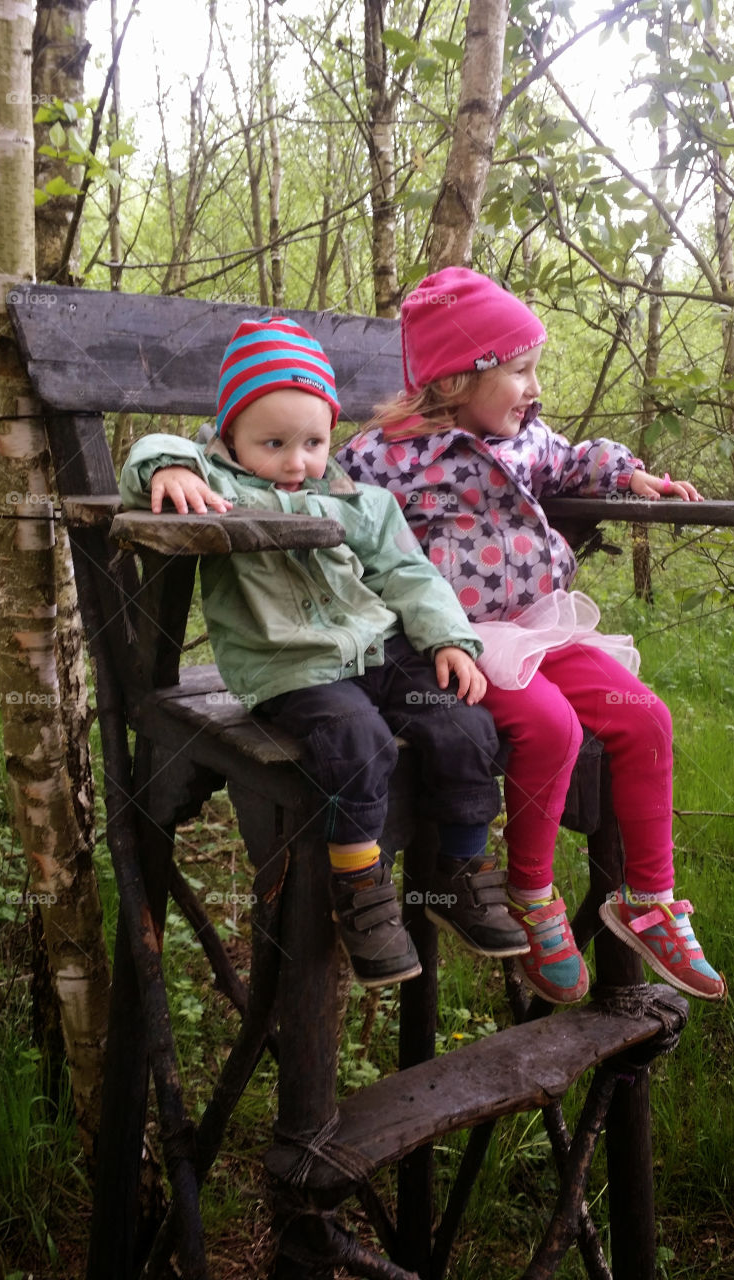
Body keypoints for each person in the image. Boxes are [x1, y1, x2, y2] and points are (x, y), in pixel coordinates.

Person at [337, 267, 726, 1005]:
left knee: (645, 717)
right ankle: (531, 893)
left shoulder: (528, 442)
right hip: (456, 642)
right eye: (519, 370)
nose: (534, 387)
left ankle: (651, 901)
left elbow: (577, 458)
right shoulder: (384, 457)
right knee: (551, 729)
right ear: (454, 379)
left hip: (539, 624)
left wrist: (629, 475)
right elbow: (319, 492)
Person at [119, 315, 529, 988]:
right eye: (272, 442)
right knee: (356, 740)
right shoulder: (218, 486)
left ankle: (456, 868)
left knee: (464, 724)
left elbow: (408, 574)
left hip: (379, 647)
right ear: (229, 437)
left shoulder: (352, 498)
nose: (295, 461)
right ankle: (359, 886)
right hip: (292, 665)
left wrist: (450, 640)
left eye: (312, 441)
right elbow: (150, 455)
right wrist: (166, 465)